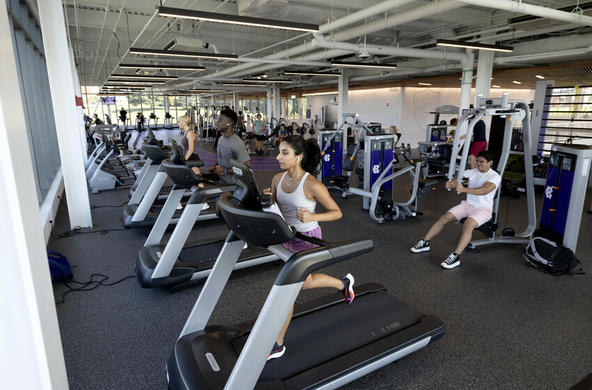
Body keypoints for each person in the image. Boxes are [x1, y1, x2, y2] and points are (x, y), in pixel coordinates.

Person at [265, 135, 355, 361]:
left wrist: (313, 215)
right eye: (279, 151)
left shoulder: (312, 184)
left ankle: (277, 344)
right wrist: (268, 201)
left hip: (307, 239)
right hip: (286, 235)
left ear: (299, 157)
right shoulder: (277, 179)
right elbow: (276, 206)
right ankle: (343, 284)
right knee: (303, 283)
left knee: (289, 290)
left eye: (284, 153)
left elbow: (337, 212)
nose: (278, 157)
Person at [410, 150, 501, 270]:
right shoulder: (471, 172)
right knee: (445, 217)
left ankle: (455, 256)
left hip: (483, 210)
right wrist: (451, 183)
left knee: (468, 224)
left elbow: (485, 190)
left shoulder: (494, 176)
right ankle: (424, 243)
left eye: (482, 162)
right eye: (477, 161)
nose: (478, 164)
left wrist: (464, 190)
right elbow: (459, 181)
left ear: (490, 163)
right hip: (468, 205)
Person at [208, 108, 251, 184]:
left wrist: (225, 171)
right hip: (224, 183)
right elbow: (224, 158)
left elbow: (247, 167)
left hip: (235, 186)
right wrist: (215, 166)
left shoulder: (237, 143)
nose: (217, 122)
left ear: (230, 123)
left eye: (221, 120)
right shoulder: (221, 139)